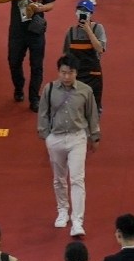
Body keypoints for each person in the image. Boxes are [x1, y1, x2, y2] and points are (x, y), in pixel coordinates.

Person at [39, 56, 101, 237]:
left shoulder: (85, 91)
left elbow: (92, 115)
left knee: (77, 179)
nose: (66, 77)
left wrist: (95, 136)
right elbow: (43, 113)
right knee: (59, 178)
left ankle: (77, 221)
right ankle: (62, 210)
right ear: (58, 72)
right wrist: (46, 135)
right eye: (63, 72)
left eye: (70, 73)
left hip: (77, 138)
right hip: (56, 138)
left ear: (76, 73)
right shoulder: (49, 89)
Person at [0, 0, 57, 110]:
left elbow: (51, 3)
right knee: (14, 62)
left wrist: (40, 8)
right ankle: (19, 87)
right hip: (17, 31)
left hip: (36, 31)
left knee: (37, 65)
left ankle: (34, 97)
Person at [62, 1, 109, 110]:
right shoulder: (70, 32)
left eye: (85, 11)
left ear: (91, 14)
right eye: (80, 10)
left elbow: (100, 49)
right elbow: (66, 56)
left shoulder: (98, 28)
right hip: (76, 76)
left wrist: (88, 30)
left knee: (93, 108)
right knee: (75, 107)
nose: (82, 13)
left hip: (93, 76)